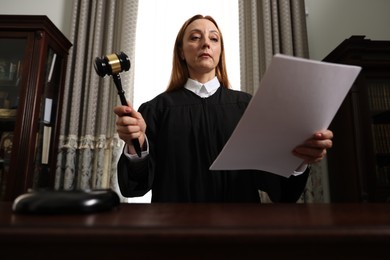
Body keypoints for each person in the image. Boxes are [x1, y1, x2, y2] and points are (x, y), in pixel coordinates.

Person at [113, 14, 333, 203]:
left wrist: (299, 159)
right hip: (177, 234)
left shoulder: (248, 108)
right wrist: (137, 144)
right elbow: (135, 187)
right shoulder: (156, 110)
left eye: (214, 38)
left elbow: (281, 190)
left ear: (220, 51)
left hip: (239, 235)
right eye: (195, 37)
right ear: (181, 51)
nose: (205, 44)